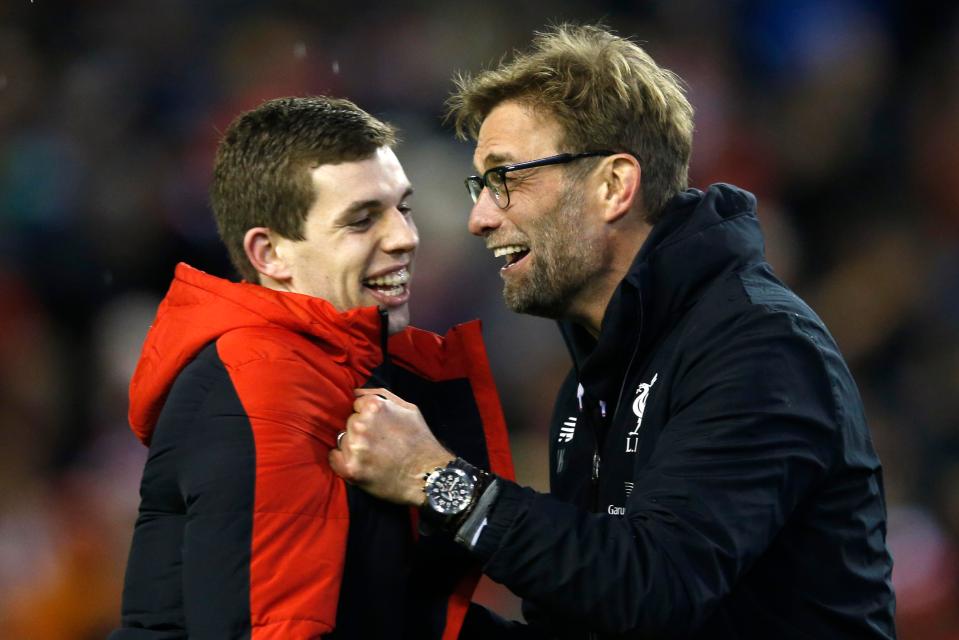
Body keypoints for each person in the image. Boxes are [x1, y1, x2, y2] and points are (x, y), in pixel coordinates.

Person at [329, 25, 897, 639]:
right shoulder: (593, 380)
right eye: (480, 186)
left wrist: (438, 480)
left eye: (505, 179)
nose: (479, 218)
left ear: (613, 186)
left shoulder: (759, 346)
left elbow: (656, 586)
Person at [110, 96, 513, 639]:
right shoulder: (266, 378)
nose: (405, 237)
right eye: (363, 219)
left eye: (404, 208)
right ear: (270, 254)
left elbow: (385, 612)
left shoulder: (330, 368)